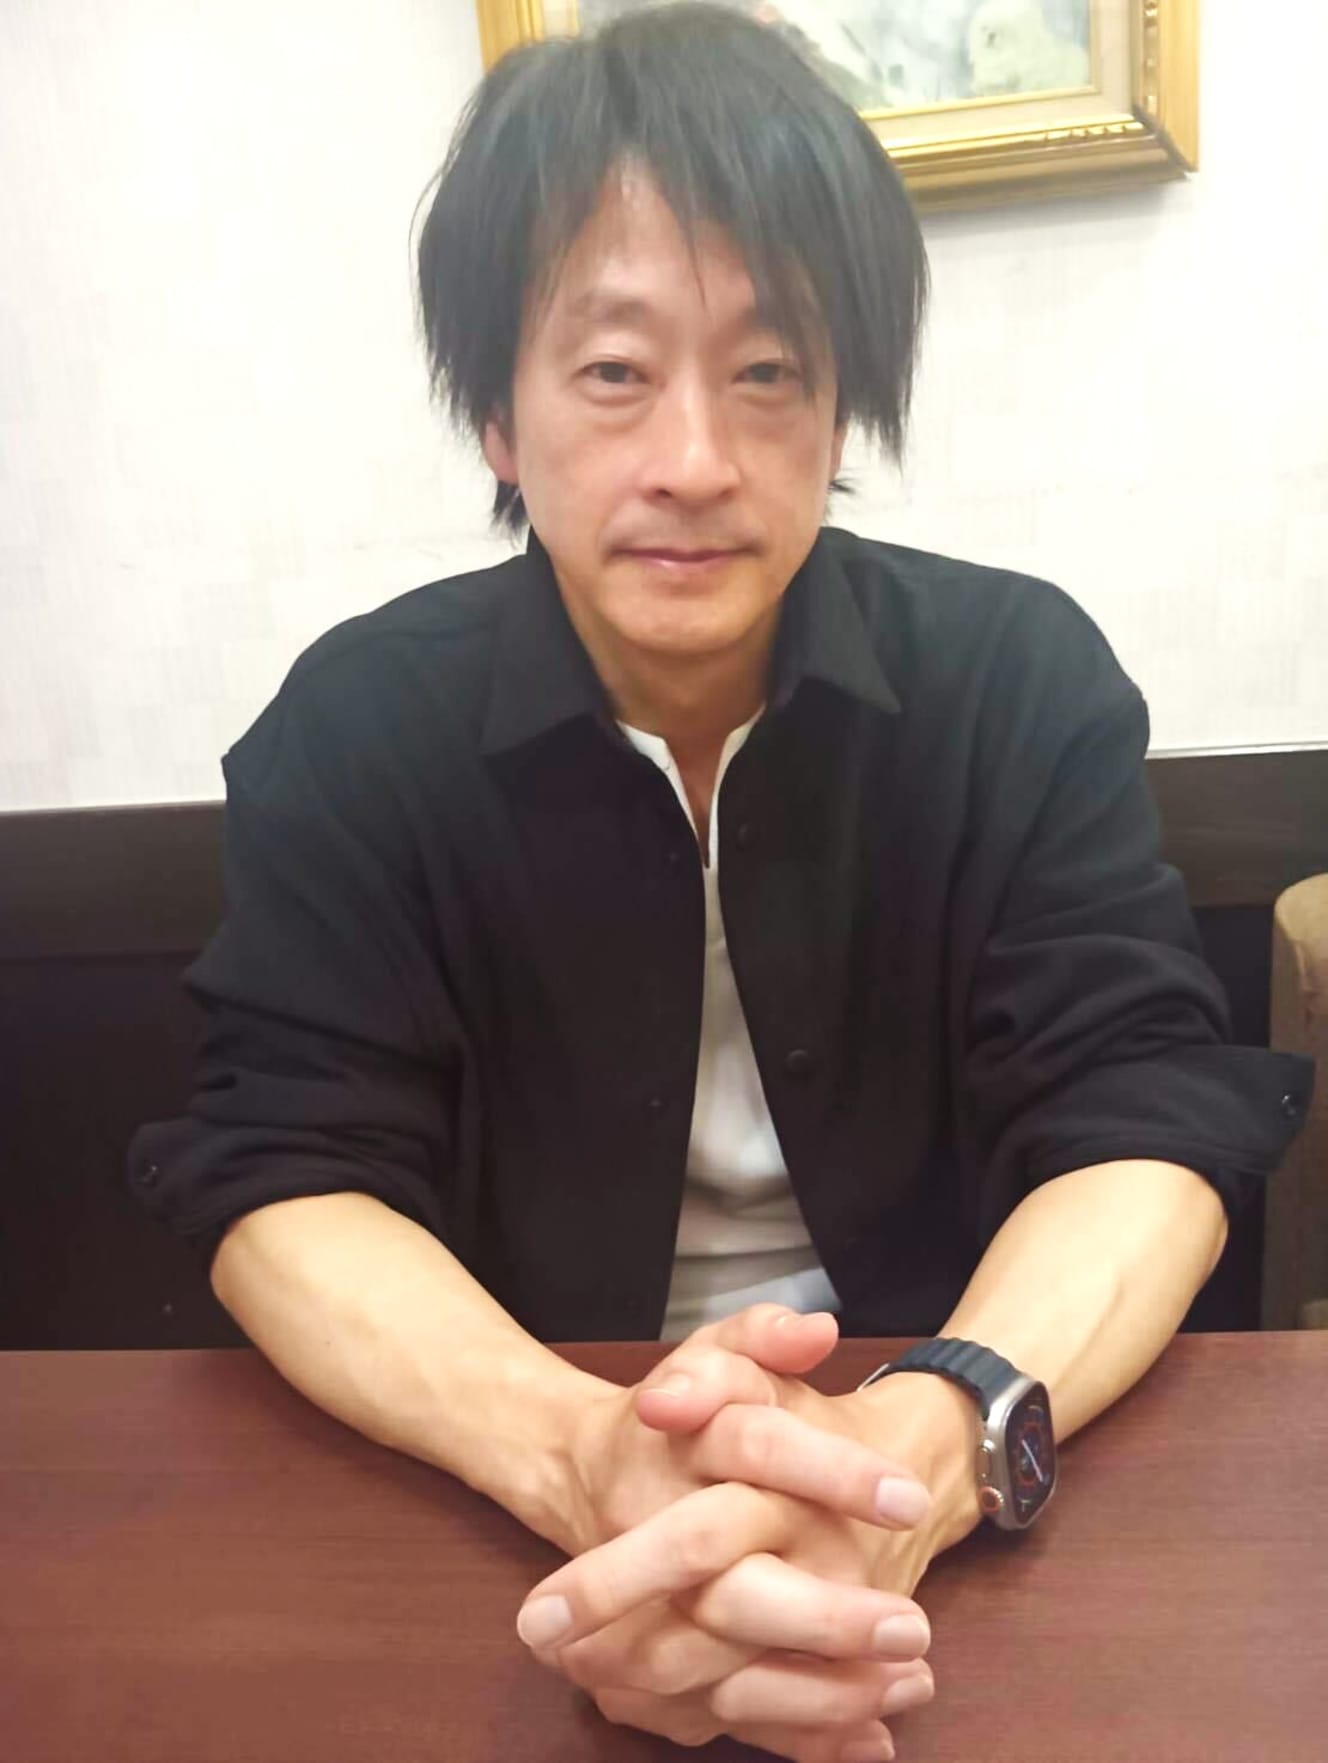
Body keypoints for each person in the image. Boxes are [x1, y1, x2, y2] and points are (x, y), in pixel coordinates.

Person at [129, 6, 1311, 1760]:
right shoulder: (358, 725)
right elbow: (283, 1175)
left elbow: (1143, 1119)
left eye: (769, 371)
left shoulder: (1015, 681)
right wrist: (582, 1457)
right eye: (614, 371)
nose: (694, 457)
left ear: (842, 406)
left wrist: (919, 1447)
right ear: (499, 414)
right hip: (504, 1497)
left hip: (957, 1476)